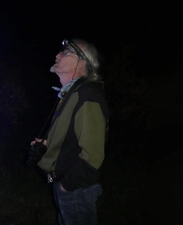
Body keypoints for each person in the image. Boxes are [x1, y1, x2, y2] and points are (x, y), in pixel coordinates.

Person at [29, 38, 109, 225]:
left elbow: (93, 156)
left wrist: (67, 186)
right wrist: (47, 145)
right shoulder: (70, 94)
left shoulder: (87, 95)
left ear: (82, 63)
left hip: (76, 190)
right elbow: (71, 137)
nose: (57, 55)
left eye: (65, 53)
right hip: (67, 184)